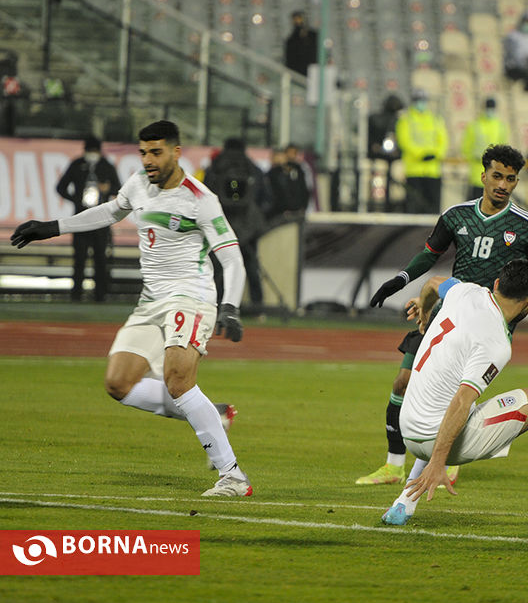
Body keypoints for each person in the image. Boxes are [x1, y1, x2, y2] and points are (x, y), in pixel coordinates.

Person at [10, 120, 252, 497]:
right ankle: (214, 413)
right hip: (150, 302)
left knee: (178, 380)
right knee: (118, 383)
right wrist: (54, 226)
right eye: (143, 153)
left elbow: (232, 257)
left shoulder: (199, 199)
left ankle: (233, 476)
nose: (148, 160)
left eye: (156, 152)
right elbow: (111, 211)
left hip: (190, 297)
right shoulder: (139, 183)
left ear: (176, 152)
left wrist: (230, 306)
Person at [358, 143, 528, 485]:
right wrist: (400, 279)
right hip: (448, 309)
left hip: (488, 322)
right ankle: (393, 466)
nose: (503, 185)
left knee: (460, 392)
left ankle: (449, 457)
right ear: (483, 176)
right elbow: (429, 254)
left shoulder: (526, 225)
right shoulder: (456, 215)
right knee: (402, 381)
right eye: (497, 176)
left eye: (511, 179)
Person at [380, 260, 528, 533]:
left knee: (446, 402)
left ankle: (403, 504)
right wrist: (438, 462)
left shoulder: (464, 291)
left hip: (408, 430)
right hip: (433, 443)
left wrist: (425, 308)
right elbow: (461, 401)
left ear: (497, 283)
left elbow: (432, 284)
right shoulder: (497, 342)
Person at [204, 137, 270, 311]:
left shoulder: (215, 168)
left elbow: (204, 197)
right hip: (248, 225)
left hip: (221, 225)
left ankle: (216, 305)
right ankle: (257, 307)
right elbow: (266, 197)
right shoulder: (252, 169)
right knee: (251, 265)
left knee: (218, 266)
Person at [55, 136, 122, 302]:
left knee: (100, 259)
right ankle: (76, 295)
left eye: (94, 151)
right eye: (90, 150)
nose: (92, 154)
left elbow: (118, 188)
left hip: (101, 219)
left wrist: (107, 189)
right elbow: (60, 187)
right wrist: (76, 199)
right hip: (81, 219)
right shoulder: (77, 165)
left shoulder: (106, 166)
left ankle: (100, 295)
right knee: (79, 258)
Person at [396, 88, 448, 214]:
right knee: (414, 207)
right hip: (414, 170)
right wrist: (421, 154)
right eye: (418, 100)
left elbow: (443, 140)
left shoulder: (435, 119)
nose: (421, 103)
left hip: (433, 171)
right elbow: (404, 141)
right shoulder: (405, 120)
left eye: (423, 100)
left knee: (432, 208)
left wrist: (436, 154)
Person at [461, 96, 508, 197]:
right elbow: (466, 147)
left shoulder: (500, 127)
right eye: (488, 108)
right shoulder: (475, 125)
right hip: (476, 172)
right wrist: (474, 157)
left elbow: (503, 149)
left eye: (491, 108)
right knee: (475, 201)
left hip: (493, 173)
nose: (489, 111)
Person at [266, 145, 310, 221]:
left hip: (294, 211)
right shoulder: (272, 174)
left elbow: (303, 189)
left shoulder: (297, 170)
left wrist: (303, 207)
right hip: (280, 213)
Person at [283, 10, 317, 76]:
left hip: (314, 72)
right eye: (295, 20)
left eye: (299, 19)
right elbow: (289, 61)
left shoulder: (314, 36)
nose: (297, 22)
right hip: (299, 75)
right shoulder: (291, 40)